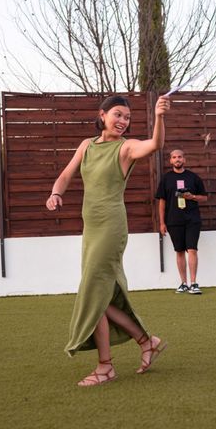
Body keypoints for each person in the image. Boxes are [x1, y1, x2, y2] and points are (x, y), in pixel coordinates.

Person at [46, 95, 170, 386]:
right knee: (99, 293)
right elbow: (66, 174)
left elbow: (155, 145)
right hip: (91, 228)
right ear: (102, 115)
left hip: (111, 228)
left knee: (94, 291)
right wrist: (56, 193)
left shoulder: (125, 148)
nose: (123, 121)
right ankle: (146, 341)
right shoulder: (87, 146)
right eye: (118, 114)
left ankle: (106, 366)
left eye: (127, 117)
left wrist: (159, 117)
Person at [156, 149, 208, 295]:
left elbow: (204, 197)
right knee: (179, 251)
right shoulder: (166, 179)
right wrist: (162, 223)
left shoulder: (193, 177)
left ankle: (194, 283)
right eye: (174, 157)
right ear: (170, 161)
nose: (177, 159)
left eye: (180, 157)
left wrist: (192, 197)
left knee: (192, 249)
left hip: (192, 219)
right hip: (173, 220)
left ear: (184, 159)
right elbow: (162, 202)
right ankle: (183, 283)